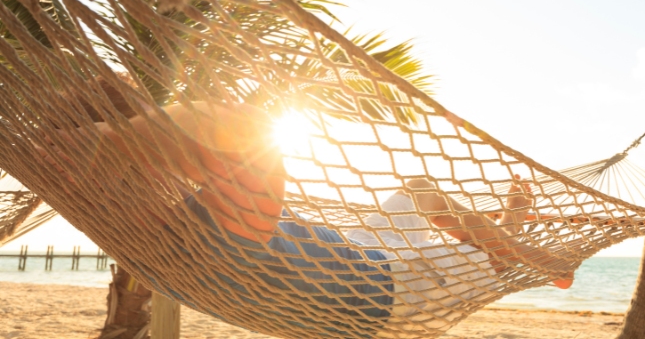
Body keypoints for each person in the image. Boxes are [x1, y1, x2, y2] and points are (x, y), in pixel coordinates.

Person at [37, 74, 576, 333]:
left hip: (355, 250)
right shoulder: (202, 239)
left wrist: (105, 141)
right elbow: (247, 130)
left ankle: (504, 236)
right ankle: (514, 249)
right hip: (396, 294)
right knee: (486, 265)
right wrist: (106, 139)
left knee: (419, 190)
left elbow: (207, 151)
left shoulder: (169, 227)